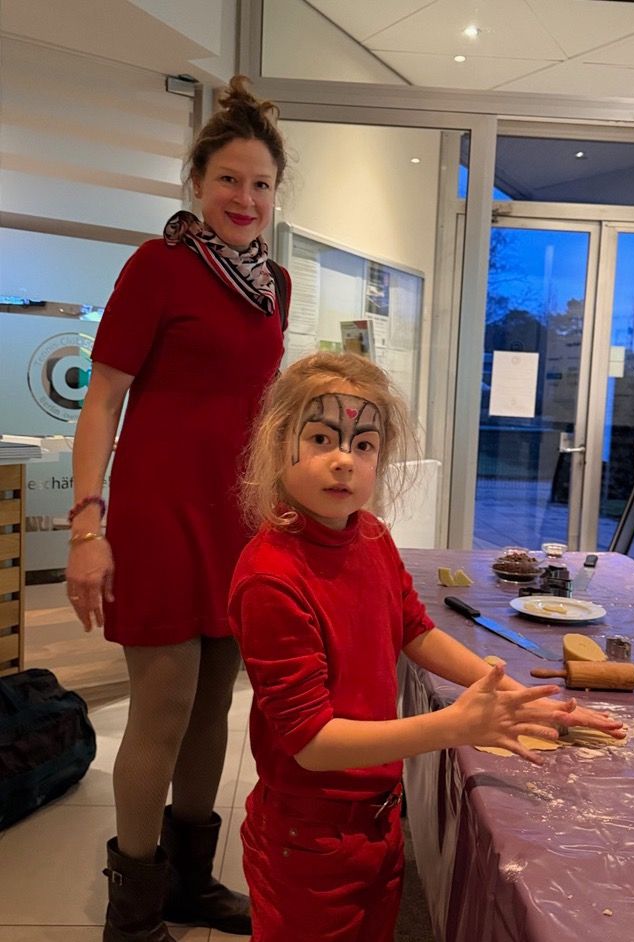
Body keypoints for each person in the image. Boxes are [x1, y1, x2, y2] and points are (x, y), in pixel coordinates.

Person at [228, 351, 624, 942]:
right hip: (306, 841)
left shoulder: (370, 536)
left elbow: (415, 630)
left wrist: (522, 700)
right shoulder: (271, 578)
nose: (344, 459)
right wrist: (454, 726)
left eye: (364, 445)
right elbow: (311, 743)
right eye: (320, 438)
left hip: (378, 819)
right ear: (276, 440)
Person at [65, 75, 290, 942]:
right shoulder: (157, 267)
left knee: (213, 708)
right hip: (158, 518)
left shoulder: (275, 285)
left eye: (261, 183)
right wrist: (88, 527)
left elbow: (260, 413)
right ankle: (133, 912)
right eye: (228, 179)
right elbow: (102, 400)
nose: (245, 198)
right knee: (161, 709)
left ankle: (191, 883)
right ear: (197, 182)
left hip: (241, 522)